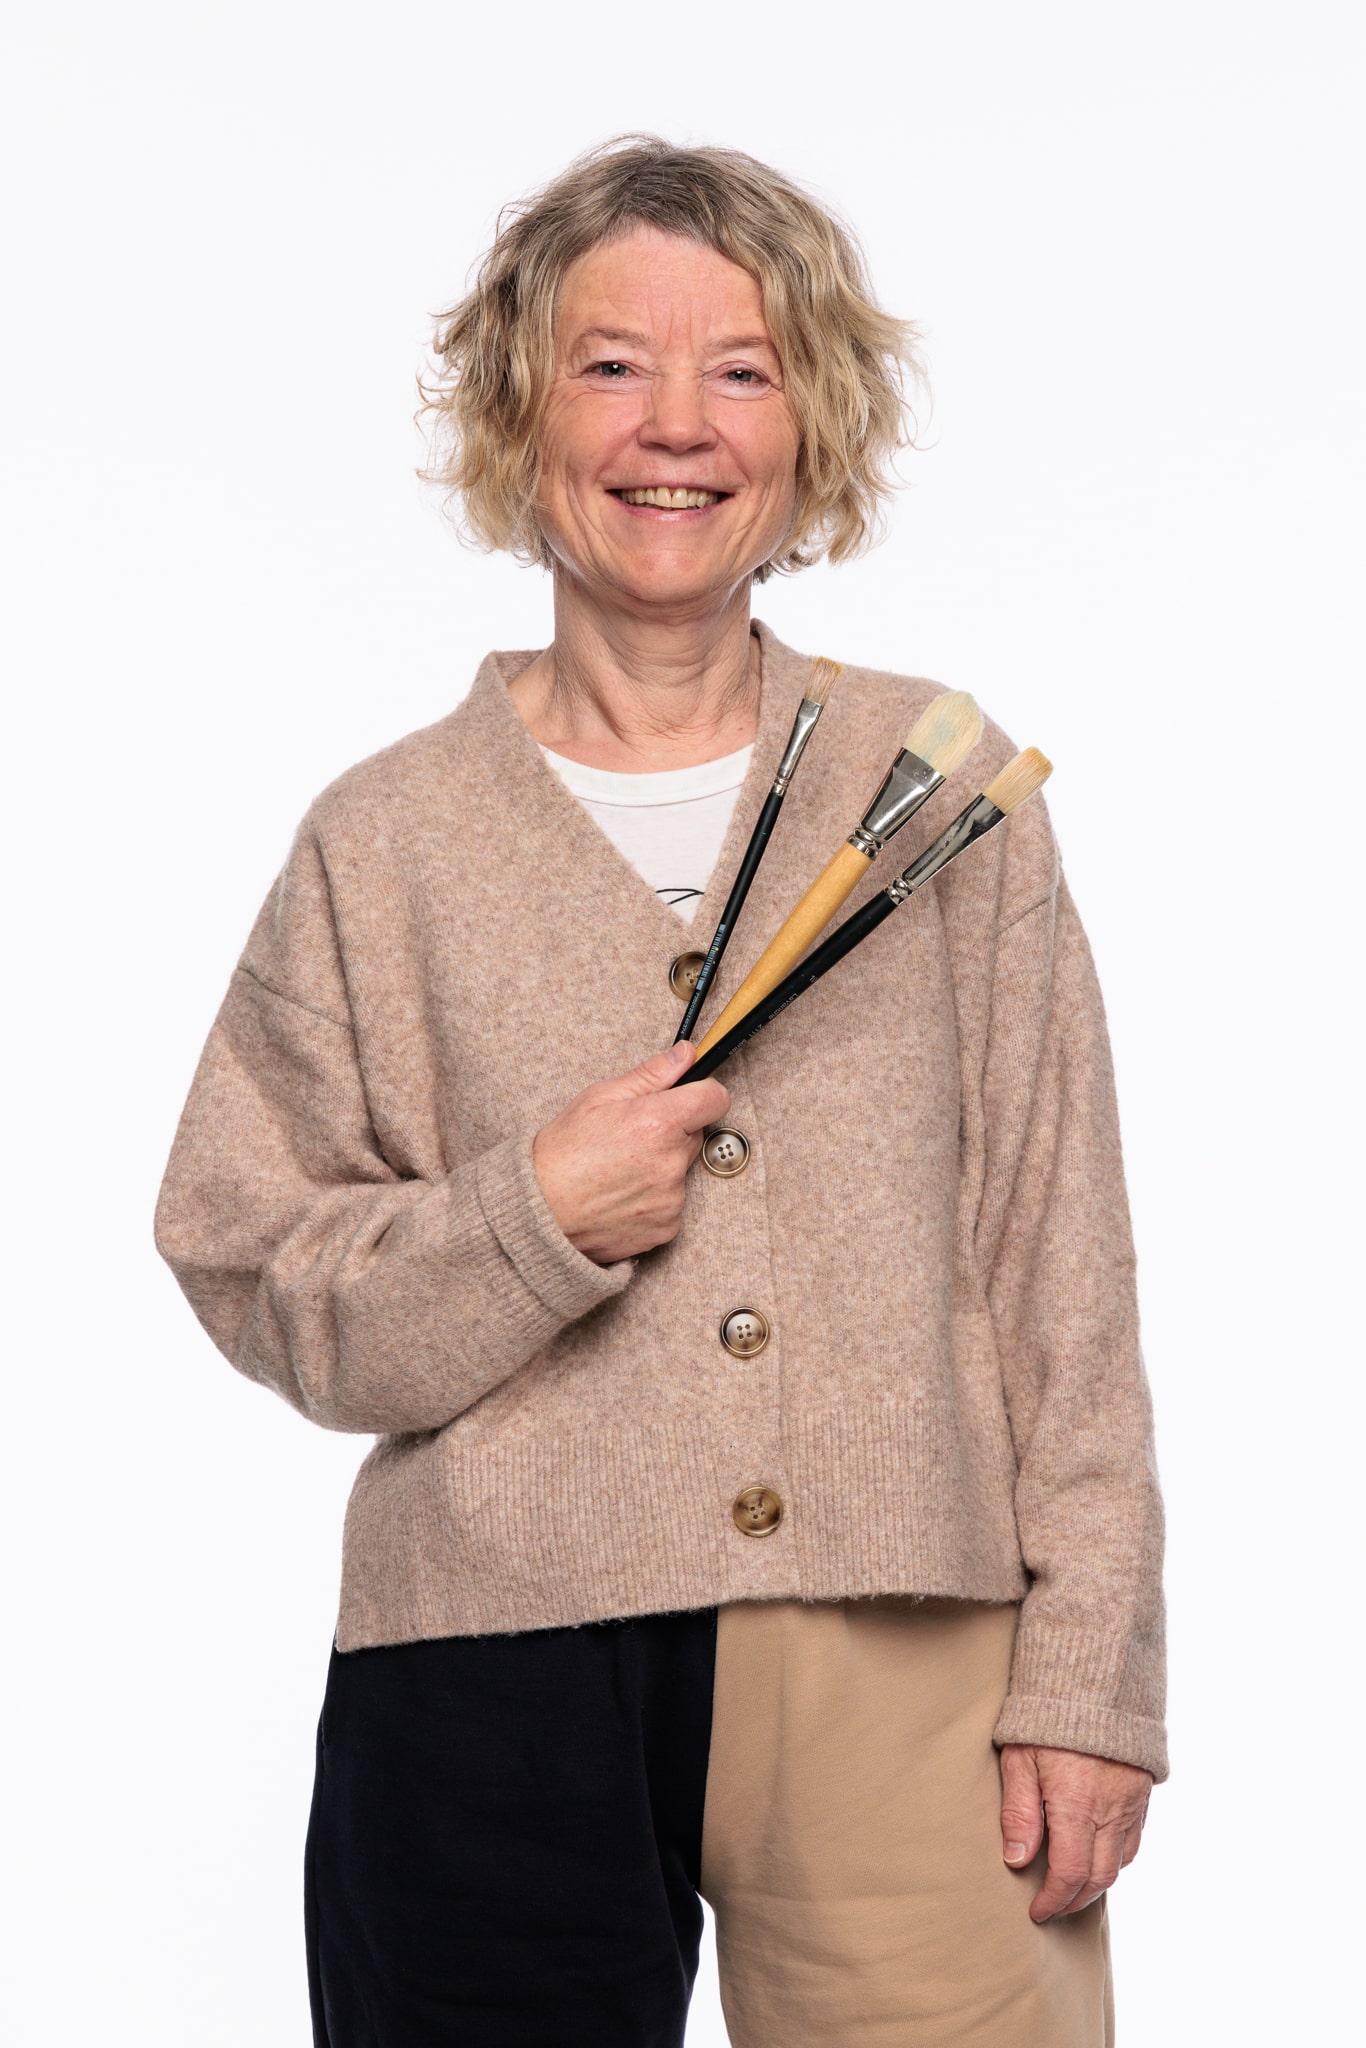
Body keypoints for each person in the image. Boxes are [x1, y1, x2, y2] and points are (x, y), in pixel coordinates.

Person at [155, 136, 1166, 2048]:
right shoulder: (383, 840)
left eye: (743, 368)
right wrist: (524, 1223)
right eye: (610, 364)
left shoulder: (939, 796)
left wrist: (1089, 1675)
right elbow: (245, 1258)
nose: (673, 427)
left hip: (909, 1656)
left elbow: (1061, 1266)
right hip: (487, 1660)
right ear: (521, 413)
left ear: (812, 423)